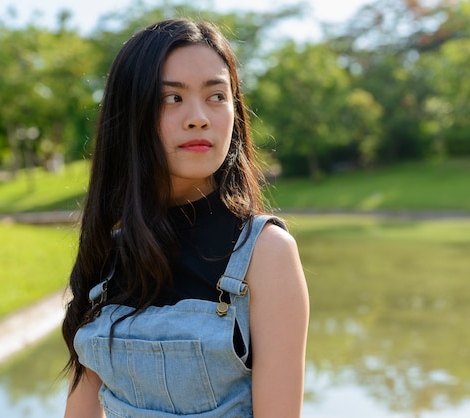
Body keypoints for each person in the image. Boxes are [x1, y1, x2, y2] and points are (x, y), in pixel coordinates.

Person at [61, 18, 309, 418]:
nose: (199, 117)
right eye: (171, 99)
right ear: (131, 115)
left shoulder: (265, 253)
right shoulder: (111, 246)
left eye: (216, 96)